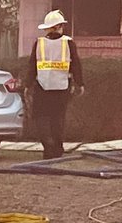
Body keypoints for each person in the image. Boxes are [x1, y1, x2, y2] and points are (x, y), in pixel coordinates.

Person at [24, 9, 84, 159]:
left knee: (41, 118)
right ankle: (57, 149)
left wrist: (27, 85)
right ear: (59, 26)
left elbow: (32, 66)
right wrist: (79, 83)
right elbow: (75, 64)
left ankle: (48, 147)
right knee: (58, 119)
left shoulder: (39, 43)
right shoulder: (69, 43)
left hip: (42, 86)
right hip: (62, 87)